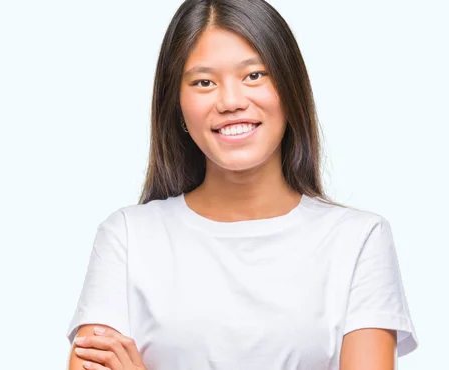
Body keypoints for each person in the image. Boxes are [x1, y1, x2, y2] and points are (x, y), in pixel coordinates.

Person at [66, 0, 418, 368]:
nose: (231, 102)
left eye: (254, 75)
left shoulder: (359, 240)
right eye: (204, 82)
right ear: (178, 106)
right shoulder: (126, 238)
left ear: (290, 88)